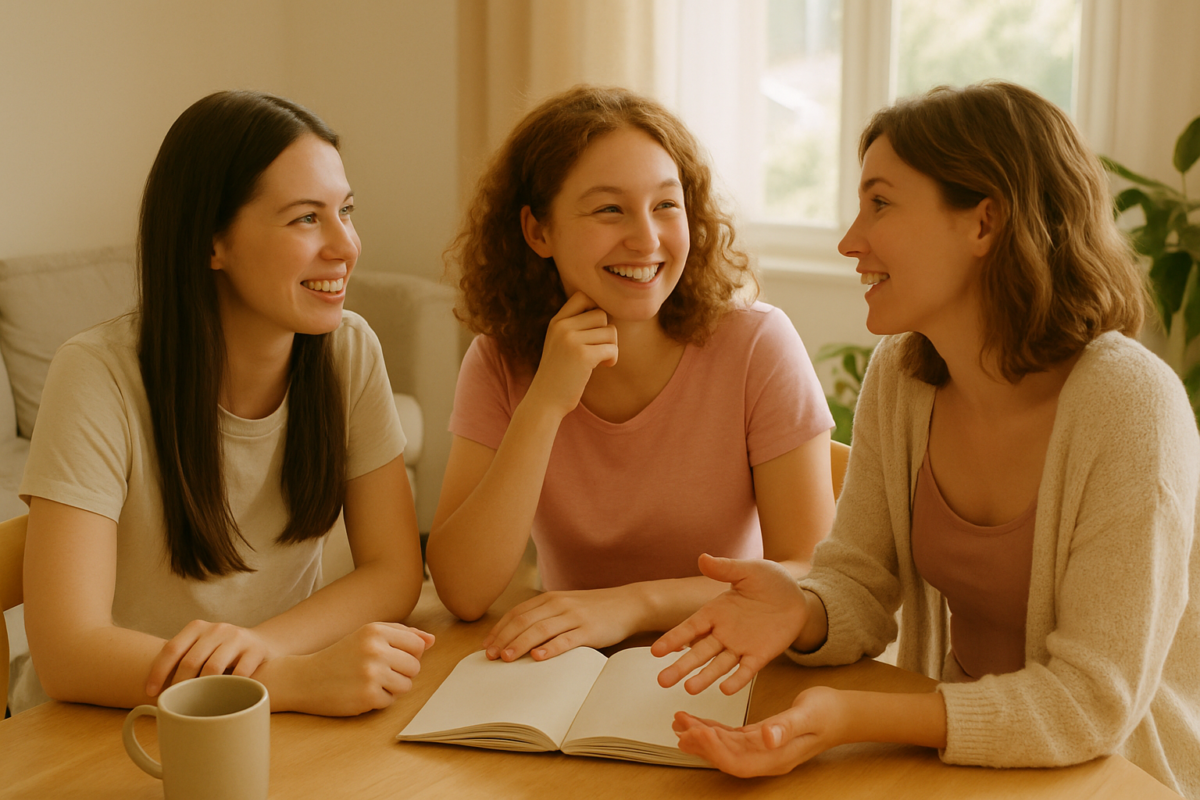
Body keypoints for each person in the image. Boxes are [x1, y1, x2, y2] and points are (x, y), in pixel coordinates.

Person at [652, 81, 1200, 797]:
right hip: (959, 757)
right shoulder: (903, 374)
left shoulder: (1131, 405)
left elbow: (1091, 704)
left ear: (984, 223)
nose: (850, 241)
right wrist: (801, 609)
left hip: (1116, 772)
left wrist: (854, 715)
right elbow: (859, 582)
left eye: (880, 203)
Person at [20, 91, 433, 717]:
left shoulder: (348, 351)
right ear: (212, 241)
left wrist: (261, 650)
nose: (346, 245)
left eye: (345, 211)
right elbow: (67, 653)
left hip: (250, 720)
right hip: (100, 724)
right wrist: (286, 680)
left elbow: (395, 571)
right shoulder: (98, 373)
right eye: (305, 218)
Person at [426, 85, 836, 663]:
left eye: (666, 205)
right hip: (566, 671)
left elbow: (810, 574)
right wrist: (544, 403)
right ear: (538, 232)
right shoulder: (500, 361)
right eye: (609, 209)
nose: (646, 239)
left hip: (724, 661)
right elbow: (464, 592)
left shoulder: (756, 345)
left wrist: (634, 605)